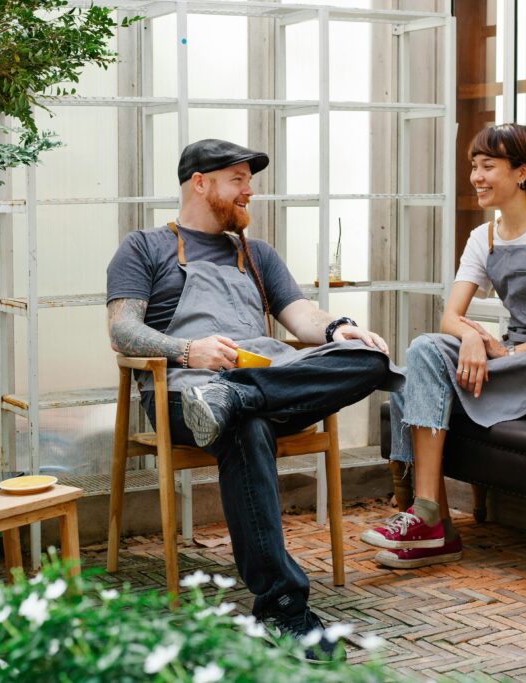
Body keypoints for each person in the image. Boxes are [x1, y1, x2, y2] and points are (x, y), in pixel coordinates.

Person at [106, 138, 403, 660]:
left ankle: (237, 398)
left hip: (259, 381)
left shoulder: (257, 253)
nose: (250, 192)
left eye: (249, 181)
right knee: (246, 428)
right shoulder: (145, 247)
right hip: (183, 391)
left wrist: (339, 328)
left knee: (371, 360)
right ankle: (285, 611)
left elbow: (301, 320)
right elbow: (122, 330)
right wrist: (187, 350)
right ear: (201, 183)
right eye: (239, 180)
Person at [360, 123, 526, 570]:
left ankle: (430, 524)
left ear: (522, 171)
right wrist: (472, 336)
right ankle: (431, 518)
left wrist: (511, 355)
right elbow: (450, 317)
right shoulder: (483, 237)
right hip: (508, 358)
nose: (476, 177)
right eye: (474, 166)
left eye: (488, 166)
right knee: (424, 351)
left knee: (422, 375)